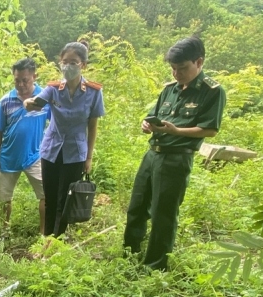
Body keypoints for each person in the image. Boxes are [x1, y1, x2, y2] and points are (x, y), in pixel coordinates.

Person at [123, 36, 226, 270]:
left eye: (182, 68)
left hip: (176, 158)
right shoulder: (169, 90)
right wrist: (146, 124)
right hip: (153, 153)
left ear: (199, 62)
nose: (176, 74)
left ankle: (155, 266)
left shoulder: (212, 91)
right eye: (173, 68)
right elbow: (152, 114)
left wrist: (176, 130)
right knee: (137, 206)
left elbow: (210, 129)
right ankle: (129, 253)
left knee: (163, 213)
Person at [25, 41, 105, 237]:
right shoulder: (53, 89)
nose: (67, 66)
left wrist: (88, 157)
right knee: (50, 196)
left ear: (83, 65)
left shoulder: (94, 92)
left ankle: (57, 239)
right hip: (51, 150)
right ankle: (47, 238)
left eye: (73, 62)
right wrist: (29, 102)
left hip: (75, 153)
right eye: (64, 61)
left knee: (66, 198)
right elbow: (34, 103)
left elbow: (92, 126)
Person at [0, 58, 50, 234]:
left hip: (35, 155)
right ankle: (3, 233)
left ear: (34, 76)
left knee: (46, 196)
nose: (21, 84)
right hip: (8, 157)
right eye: (17, 80)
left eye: (25, 80)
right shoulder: (6, 101)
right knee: (3, 199)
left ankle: (43, 235)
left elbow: (56, 123)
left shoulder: (44, 98)